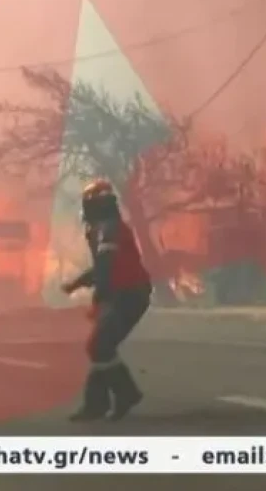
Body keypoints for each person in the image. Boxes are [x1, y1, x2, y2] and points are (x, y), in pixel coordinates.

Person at [61, 179, 153, 422]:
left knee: (100, 346)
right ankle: (97, 404)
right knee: (101, 347)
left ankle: (124, 394)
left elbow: (105, 265)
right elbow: (104, 265)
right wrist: (78, 284)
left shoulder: (108, 229)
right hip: (126, 293)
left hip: (129, 294)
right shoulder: (107, 228)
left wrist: (99, 292)